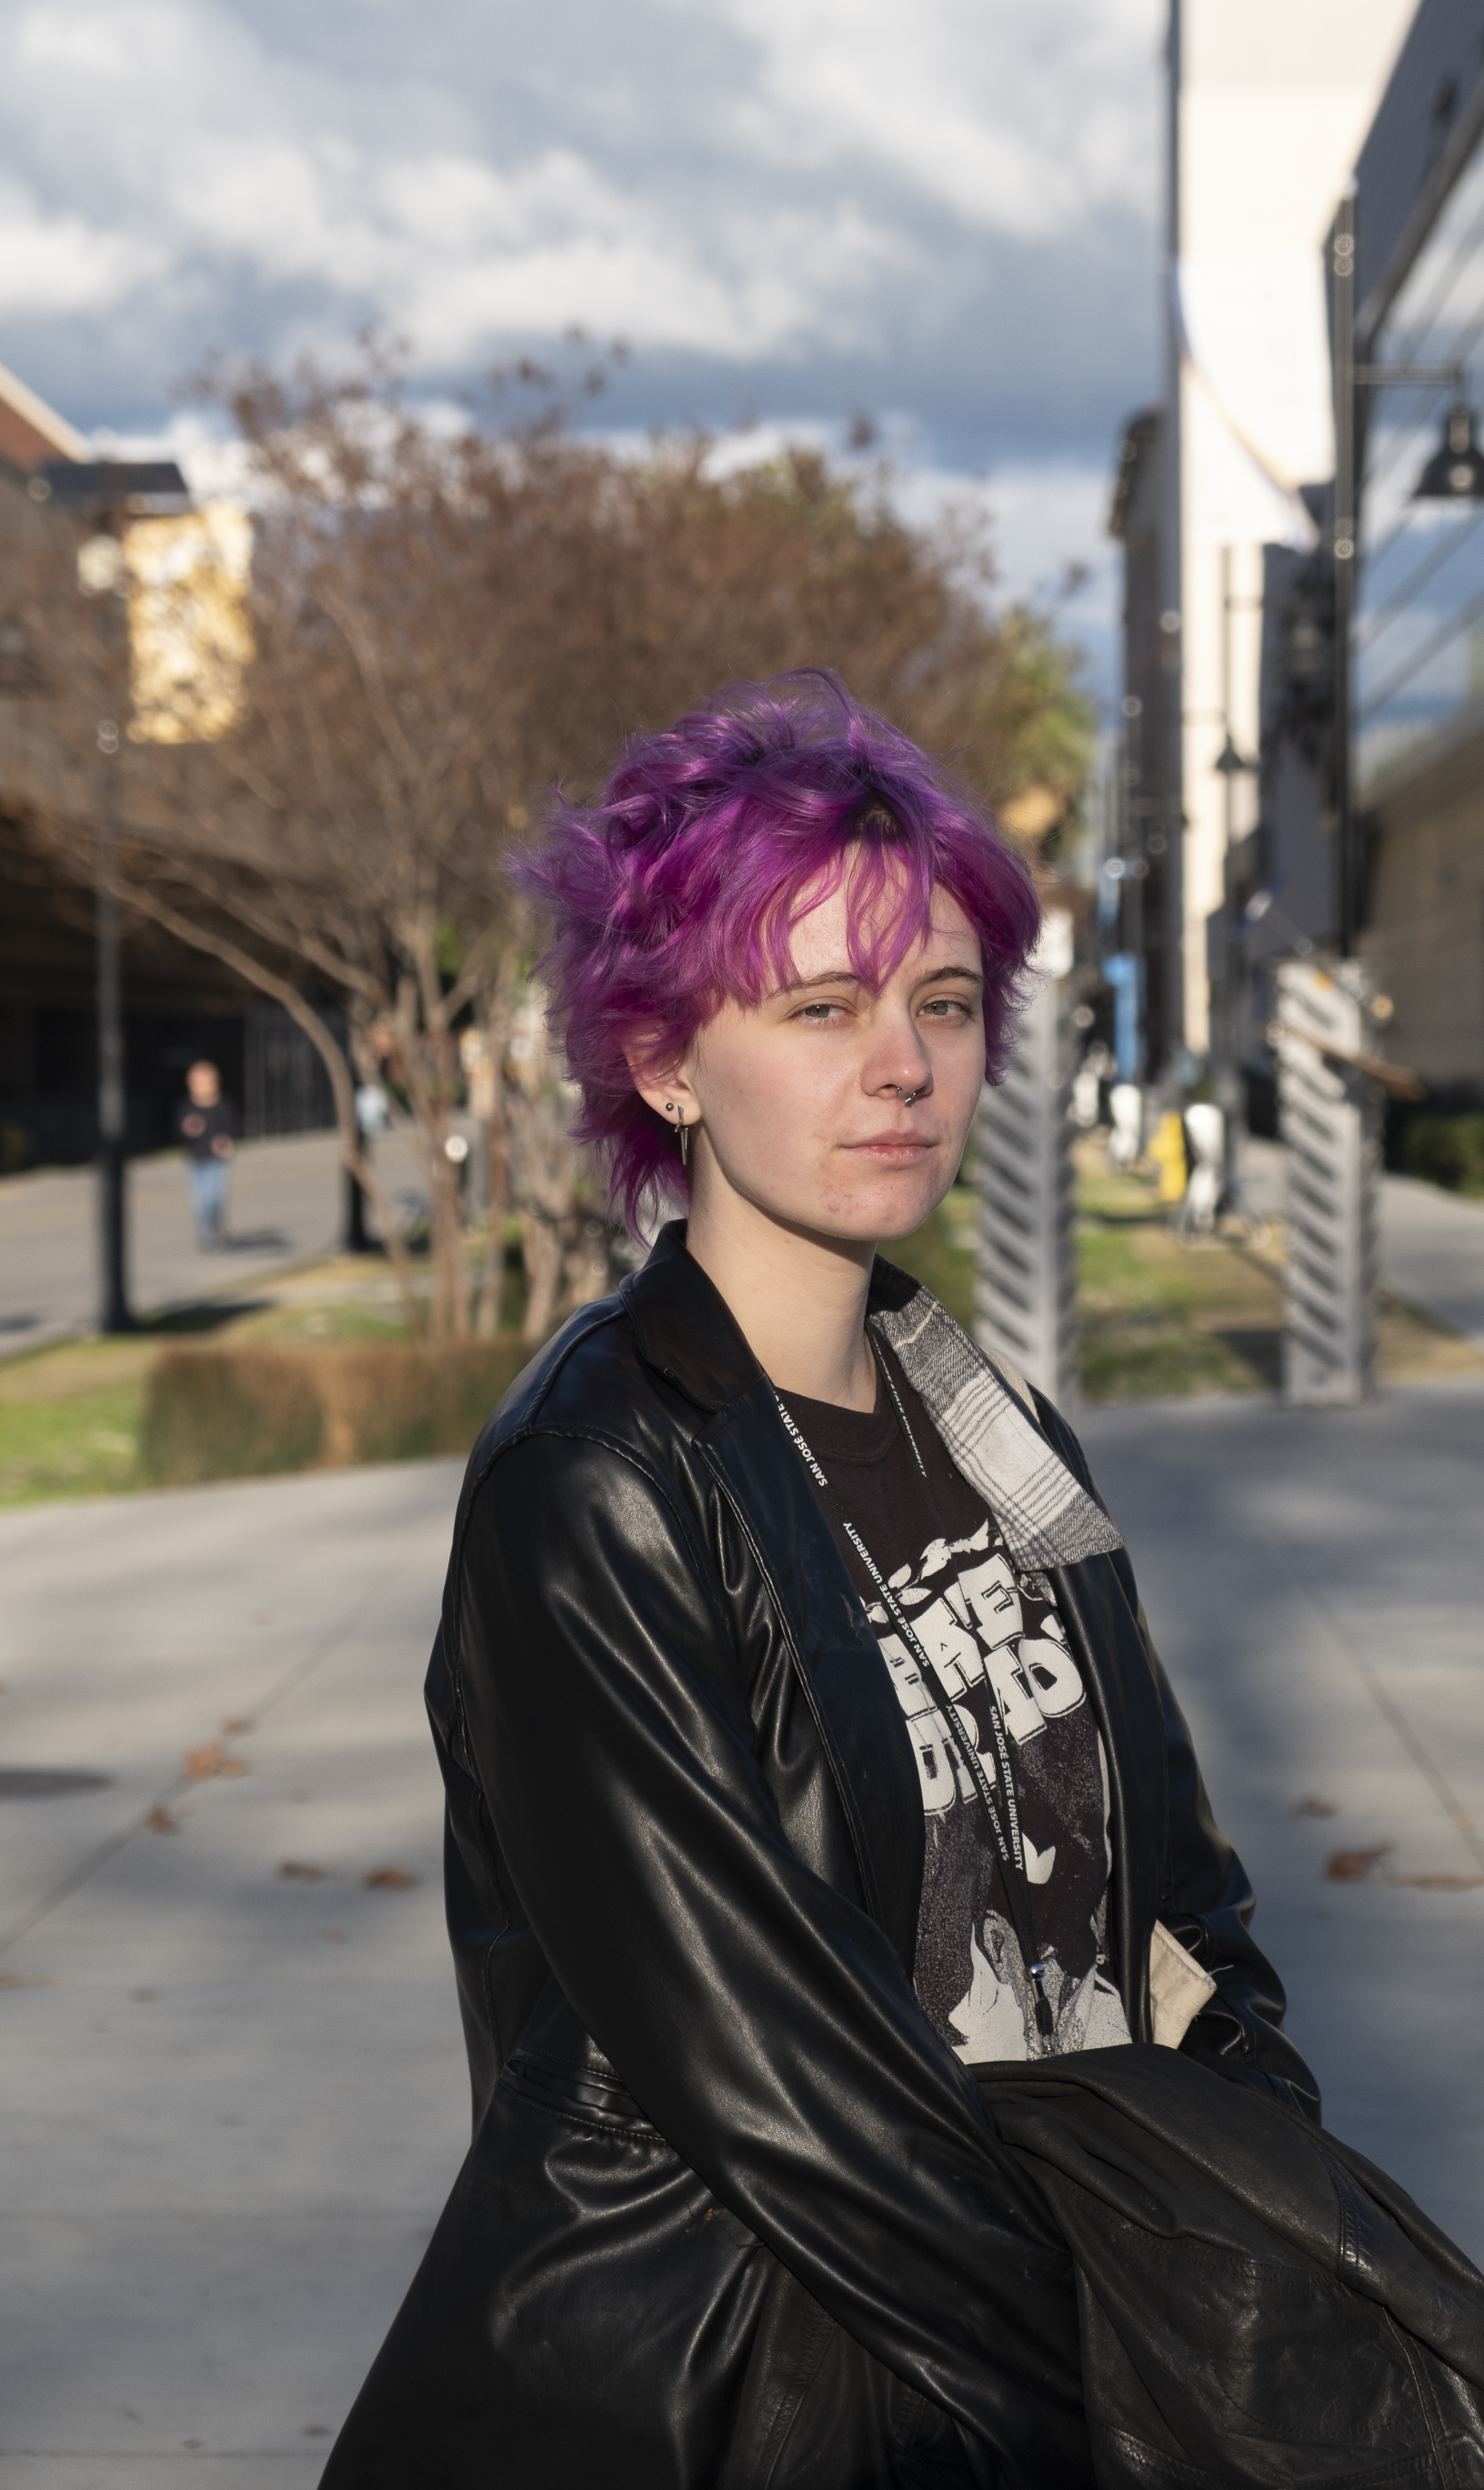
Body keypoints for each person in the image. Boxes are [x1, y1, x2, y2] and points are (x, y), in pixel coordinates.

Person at [323, 673, 1316, 2488]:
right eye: (821, 1005)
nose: (905, 1065)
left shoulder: (998, 1429)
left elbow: (1179, 1887)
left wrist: (1252, 2170)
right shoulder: (599, 1477)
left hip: (1054, 2349)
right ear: (664, 1059)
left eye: (942, 1003)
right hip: (775, 2391)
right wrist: (1128, 2352)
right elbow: (777, 2091)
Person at [173, 1059, 236, 1250]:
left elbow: (234, 1126)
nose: (202, 1087)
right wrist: (186, 1128)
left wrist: (225, 1140)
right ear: (190, 1084)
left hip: (217, 1161)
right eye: (197, 1083)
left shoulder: (223, 1106)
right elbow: (177, 1130)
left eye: (207, 1082)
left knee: (214, 1198)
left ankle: (216, 1225)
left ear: (216, 1082)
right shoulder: (186, 1107)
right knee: (200, 1202)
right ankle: (205, 1235)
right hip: (196, 1160)